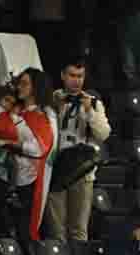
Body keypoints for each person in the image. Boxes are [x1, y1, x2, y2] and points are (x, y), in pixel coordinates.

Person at [46, 56, 112, 242]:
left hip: (82, 169)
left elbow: (103, 134)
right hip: (55, 166)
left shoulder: (92, 102)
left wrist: (89, 111)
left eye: (80, 76)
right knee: (56, 227)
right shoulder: (53, 98)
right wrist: (56, 109)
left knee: (78, 228)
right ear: (63, 76)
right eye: (72, 75)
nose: (76, 80)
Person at [0, 69, 57, 246]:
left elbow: (39, 149)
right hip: (4, 174)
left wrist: (11, 142)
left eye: (25, 83)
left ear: (36, 87)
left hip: (26, 180)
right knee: (1, 226)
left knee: (22, 230)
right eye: (19, 82)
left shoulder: (42, 116)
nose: (19, 87)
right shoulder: (14, 110)